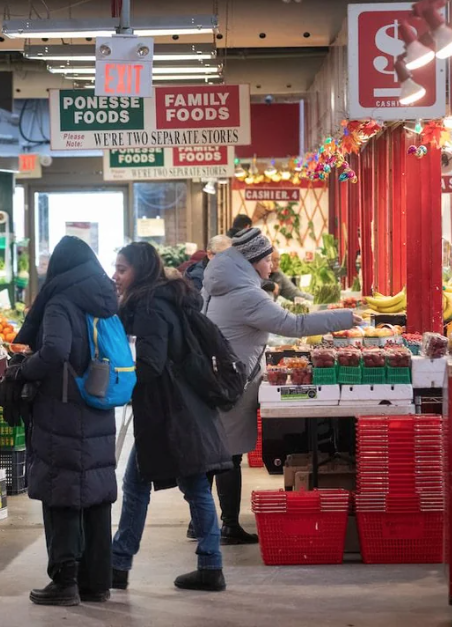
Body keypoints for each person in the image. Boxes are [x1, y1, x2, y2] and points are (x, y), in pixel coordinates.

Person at [202, 228, 359, 544]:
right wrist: (349, 318)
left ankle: (203, 521)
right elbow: (295, 326)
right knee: (228, 454)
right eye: (268, 260)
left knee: (217, 450)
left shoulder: (220, 286)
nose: (272, 267)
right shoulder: (246, 294)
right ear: (252, 261)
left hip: (219, 375)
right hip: (232, 381)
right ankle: (228, 525)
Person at [112, 242, 233, 592]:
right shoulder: (166, 297)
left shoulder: (148, 306)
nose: (116, 276)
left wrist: (118, 376)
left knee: (143, 484)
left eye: (122, 269)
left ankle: (120, 563)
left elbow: (150, 364)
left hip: (167, 411)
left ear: (141, 270)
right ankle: (209, 564)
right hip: (182, 406)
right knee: (190, 483)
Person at [12, 236, 118, 607]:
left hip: (63, 407)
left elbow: (55, 350)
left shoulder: (60, 300)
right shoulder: (103, 298)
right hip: (98, 401)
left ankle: (65, 581)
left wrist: (25, 369)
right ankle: (96, 583)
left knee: (63, 493)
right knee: (94, 494)